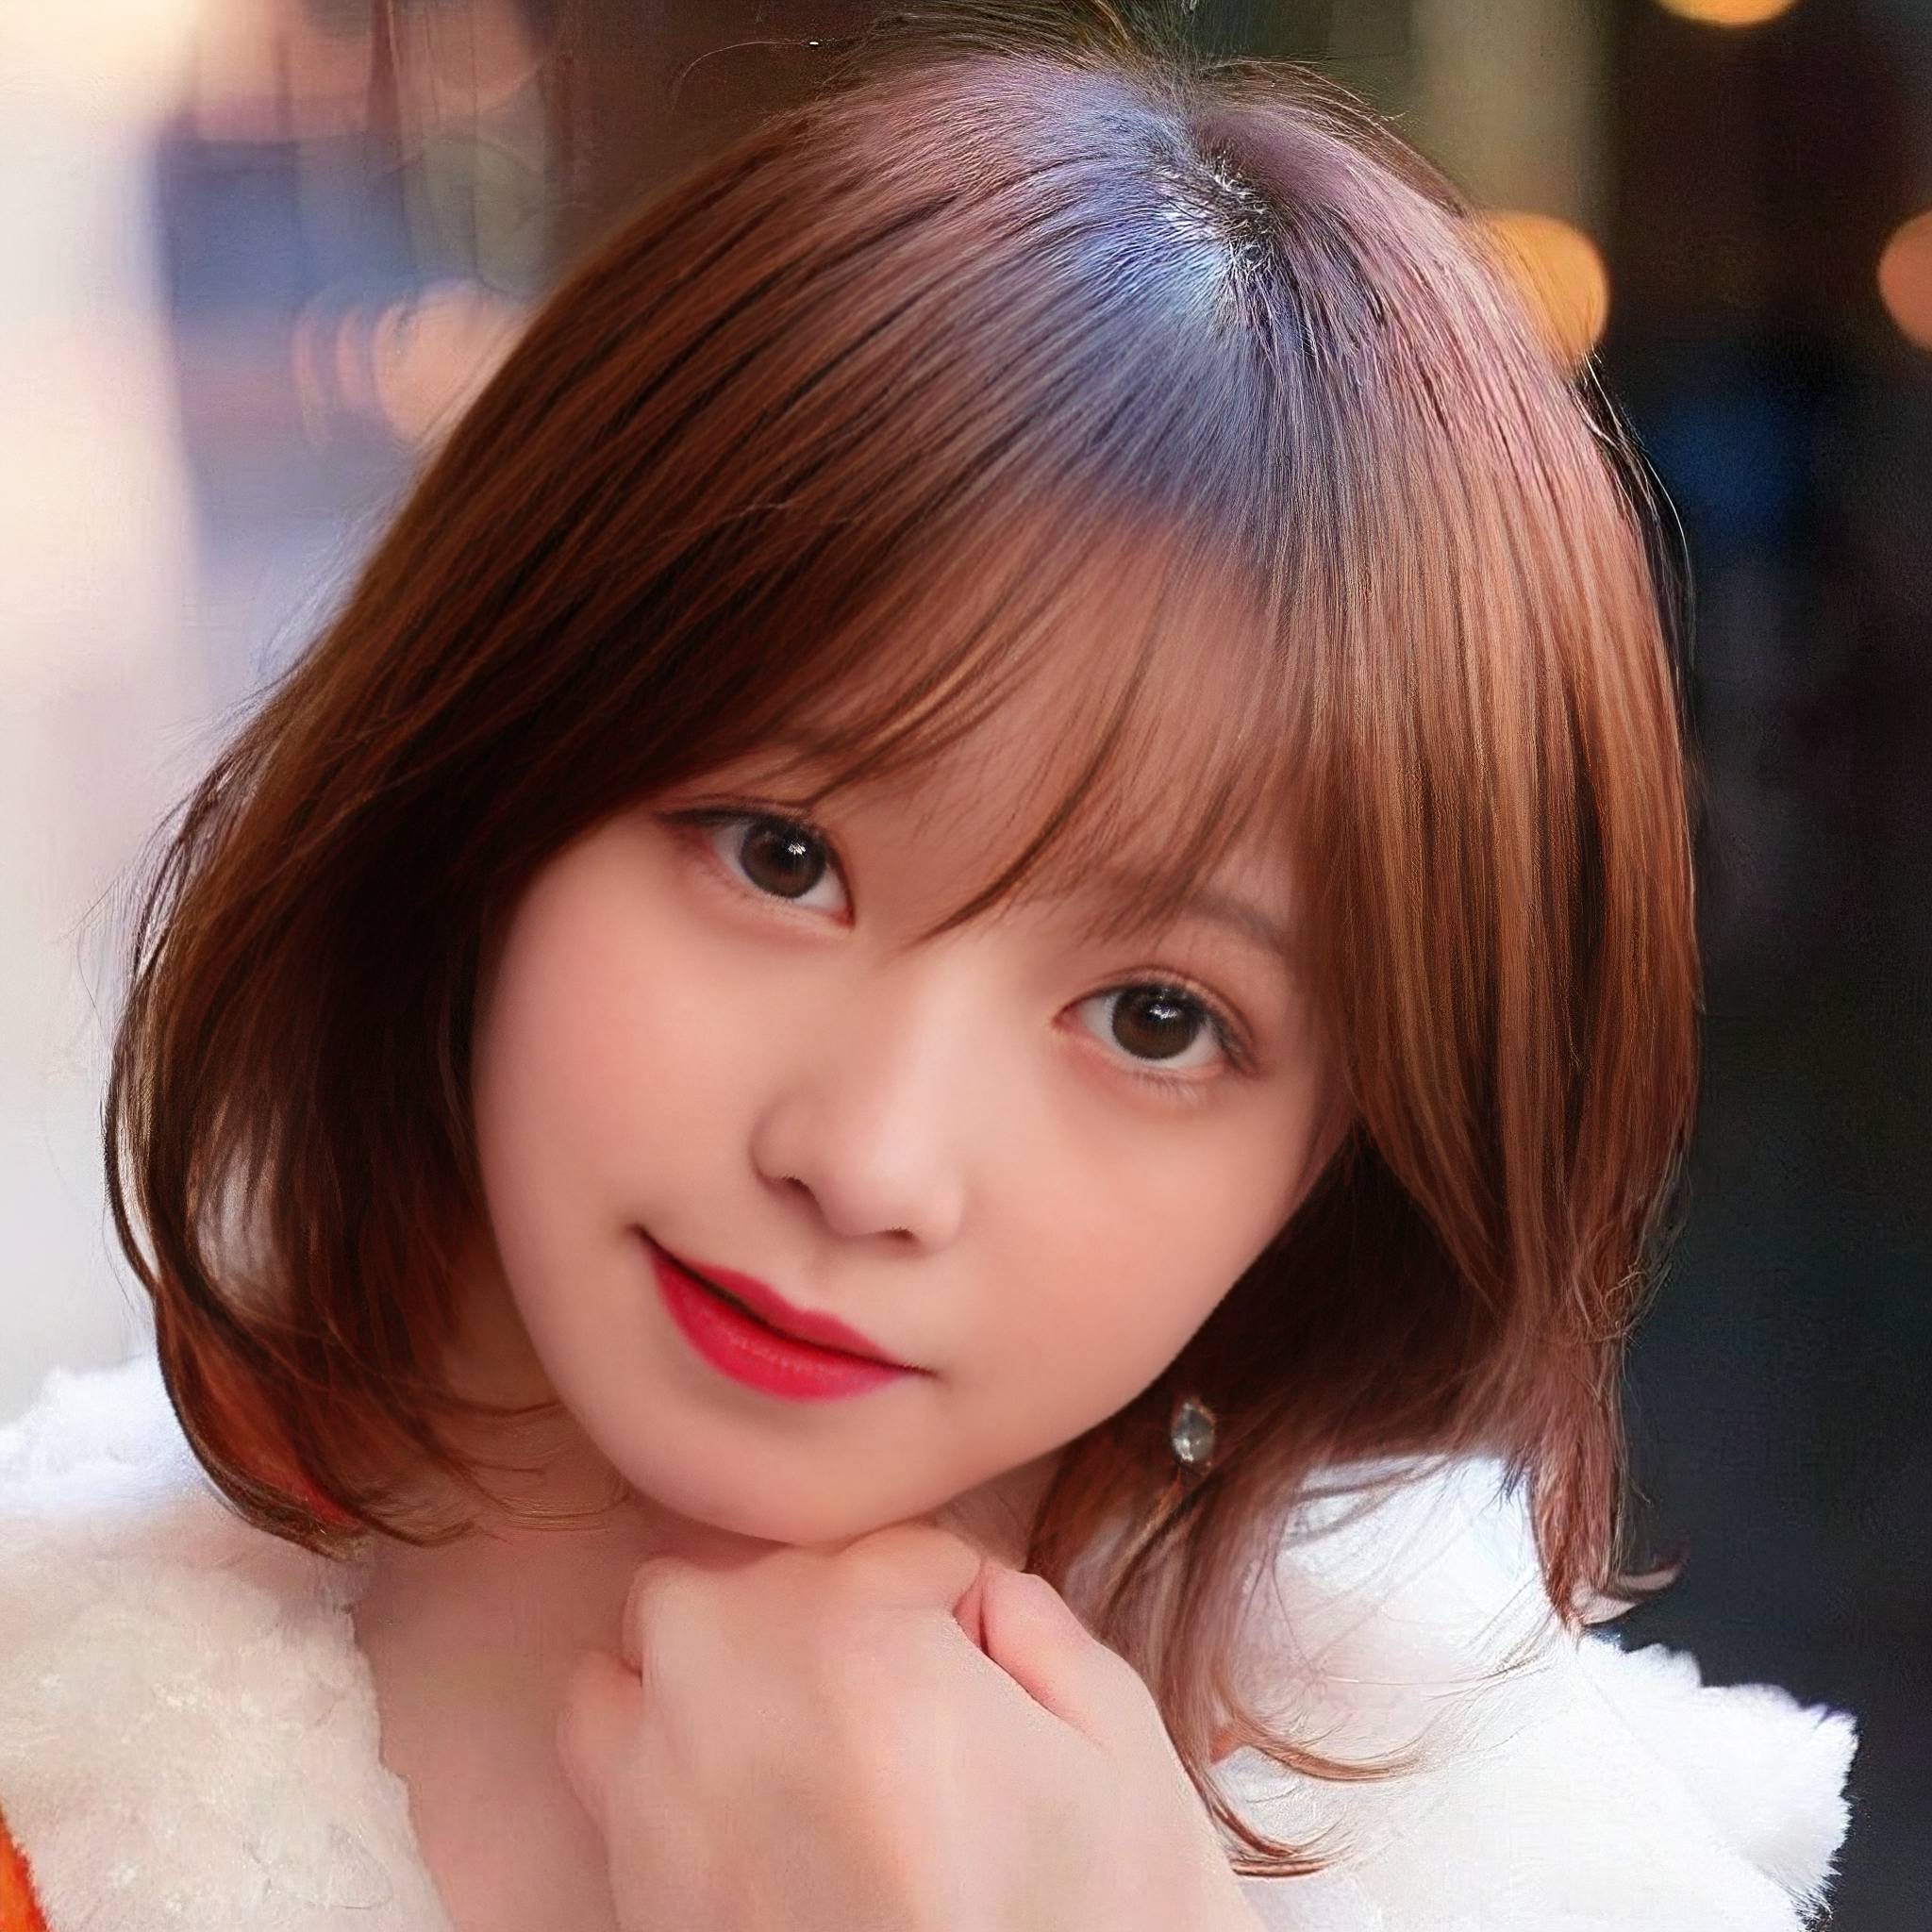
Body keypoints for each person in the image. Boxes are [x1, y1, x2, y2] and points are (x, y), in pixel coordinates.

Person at [0, 6, 1858, 1928]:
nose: (868, 1158)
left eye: (1158, 1018)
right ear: (489, 782)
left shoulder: (1541, 1875)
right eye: (781, 856)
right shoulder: (55, 1749)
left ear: (1340, 1166)